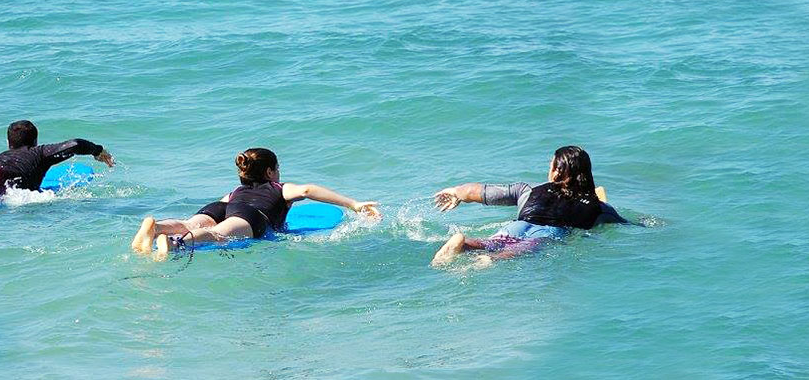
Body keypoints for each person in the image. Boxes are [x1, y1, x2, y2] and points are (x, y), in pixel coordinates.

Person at [129, 148, 381, 260]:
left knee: (189, 223)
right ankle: (176, 243)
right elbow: (307, 190)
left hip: (225, 205)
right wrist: (354, 204)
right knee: (217, 235)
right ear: (271, 172)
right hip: (252, 216)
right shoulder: (279, 189)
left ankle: (158, 227)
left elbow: (223, 206)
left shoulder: (236, 190)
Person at [429, 146, 628, 267]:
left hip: (516, 226)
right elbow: (622, 224)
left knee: (494, 241)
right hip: (548, 234)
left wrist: (456, 192)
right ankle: (492, 260)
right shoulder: (598, 208)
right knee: (524, 248)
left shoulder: (528, 190)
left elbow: (479, 191)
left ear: (556, 172)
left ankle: (464, 244)